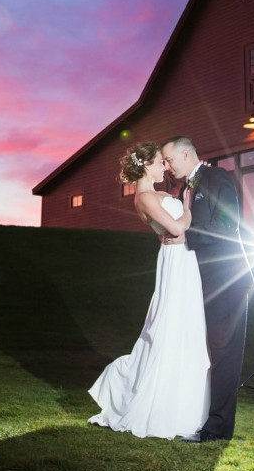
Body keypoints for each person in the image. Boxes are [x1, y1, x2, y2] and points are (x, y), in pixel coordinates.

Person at [87, 142, 211, 439]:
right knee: (169, 324)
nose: (165, 167)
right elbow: (178, 228)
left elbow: (175, 230)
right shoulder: (144, 197)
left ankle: (189, 404)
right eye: (160, 162)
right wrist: (190, 204)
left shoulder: (163, 194)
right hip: (175, 260)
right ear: (146, 166)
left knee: (188, 324)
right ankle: (155, 401)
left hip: (185, 258)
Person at [160, 135, 252, 442]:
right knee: (206, 352)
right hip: (199, 282)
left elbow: (229, 224)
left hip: (226, 281)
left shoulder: (217, 176)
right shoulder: (183, 189)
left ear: (186, 155)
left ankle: (218, 429)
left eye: (169, 159)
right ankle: (199, 418)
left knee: (224, 353)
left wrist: (188, 237)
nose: (167, 166)